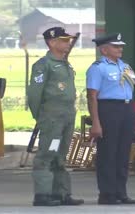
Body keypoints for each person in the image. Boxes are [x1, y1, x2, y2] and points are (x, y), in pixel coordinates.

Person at [27, 27, 84, 206]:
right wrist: (41, 117)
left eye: (68, 40)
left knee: (61, 155)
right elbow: (35, 95)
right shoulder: (44, 65)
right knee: (47, 154)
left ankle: (61, 193)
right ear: (52, 42)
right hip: (52, 117)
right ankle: (42, 195)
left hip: (67, 115)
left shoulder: (65, 63)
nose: (68, 43)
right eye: (64, 40)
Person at [86, 33, 135, 205]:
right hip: (108, 108)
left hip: (126, 108)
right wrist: (95, 122)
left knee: (123, 153)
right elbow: (92, 96)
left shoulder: (125, 66)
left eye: (121, 46)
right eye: (116, 46)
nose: (120, 49)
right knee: (108, 153)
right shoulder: (98, 67)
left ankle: (121, 192)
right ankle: (107, 193)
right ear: (104, 49)